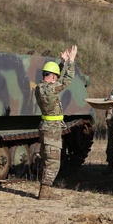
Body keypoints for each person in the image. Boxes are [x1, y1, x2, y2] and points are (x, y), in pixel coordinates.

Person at [34, 45, 78, 200]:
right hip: (52, 130)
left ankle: (44, 189)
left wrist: (62, 63)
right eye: (55, 76)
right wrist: (71, 61)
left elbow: (56, 79)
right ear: (53, 77)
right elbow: (67, 80)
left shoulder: (41, 87)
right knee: (53, 162)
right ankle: (45, 192)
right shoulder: (50, 89)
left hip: (47, 128)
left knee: (47, 159)